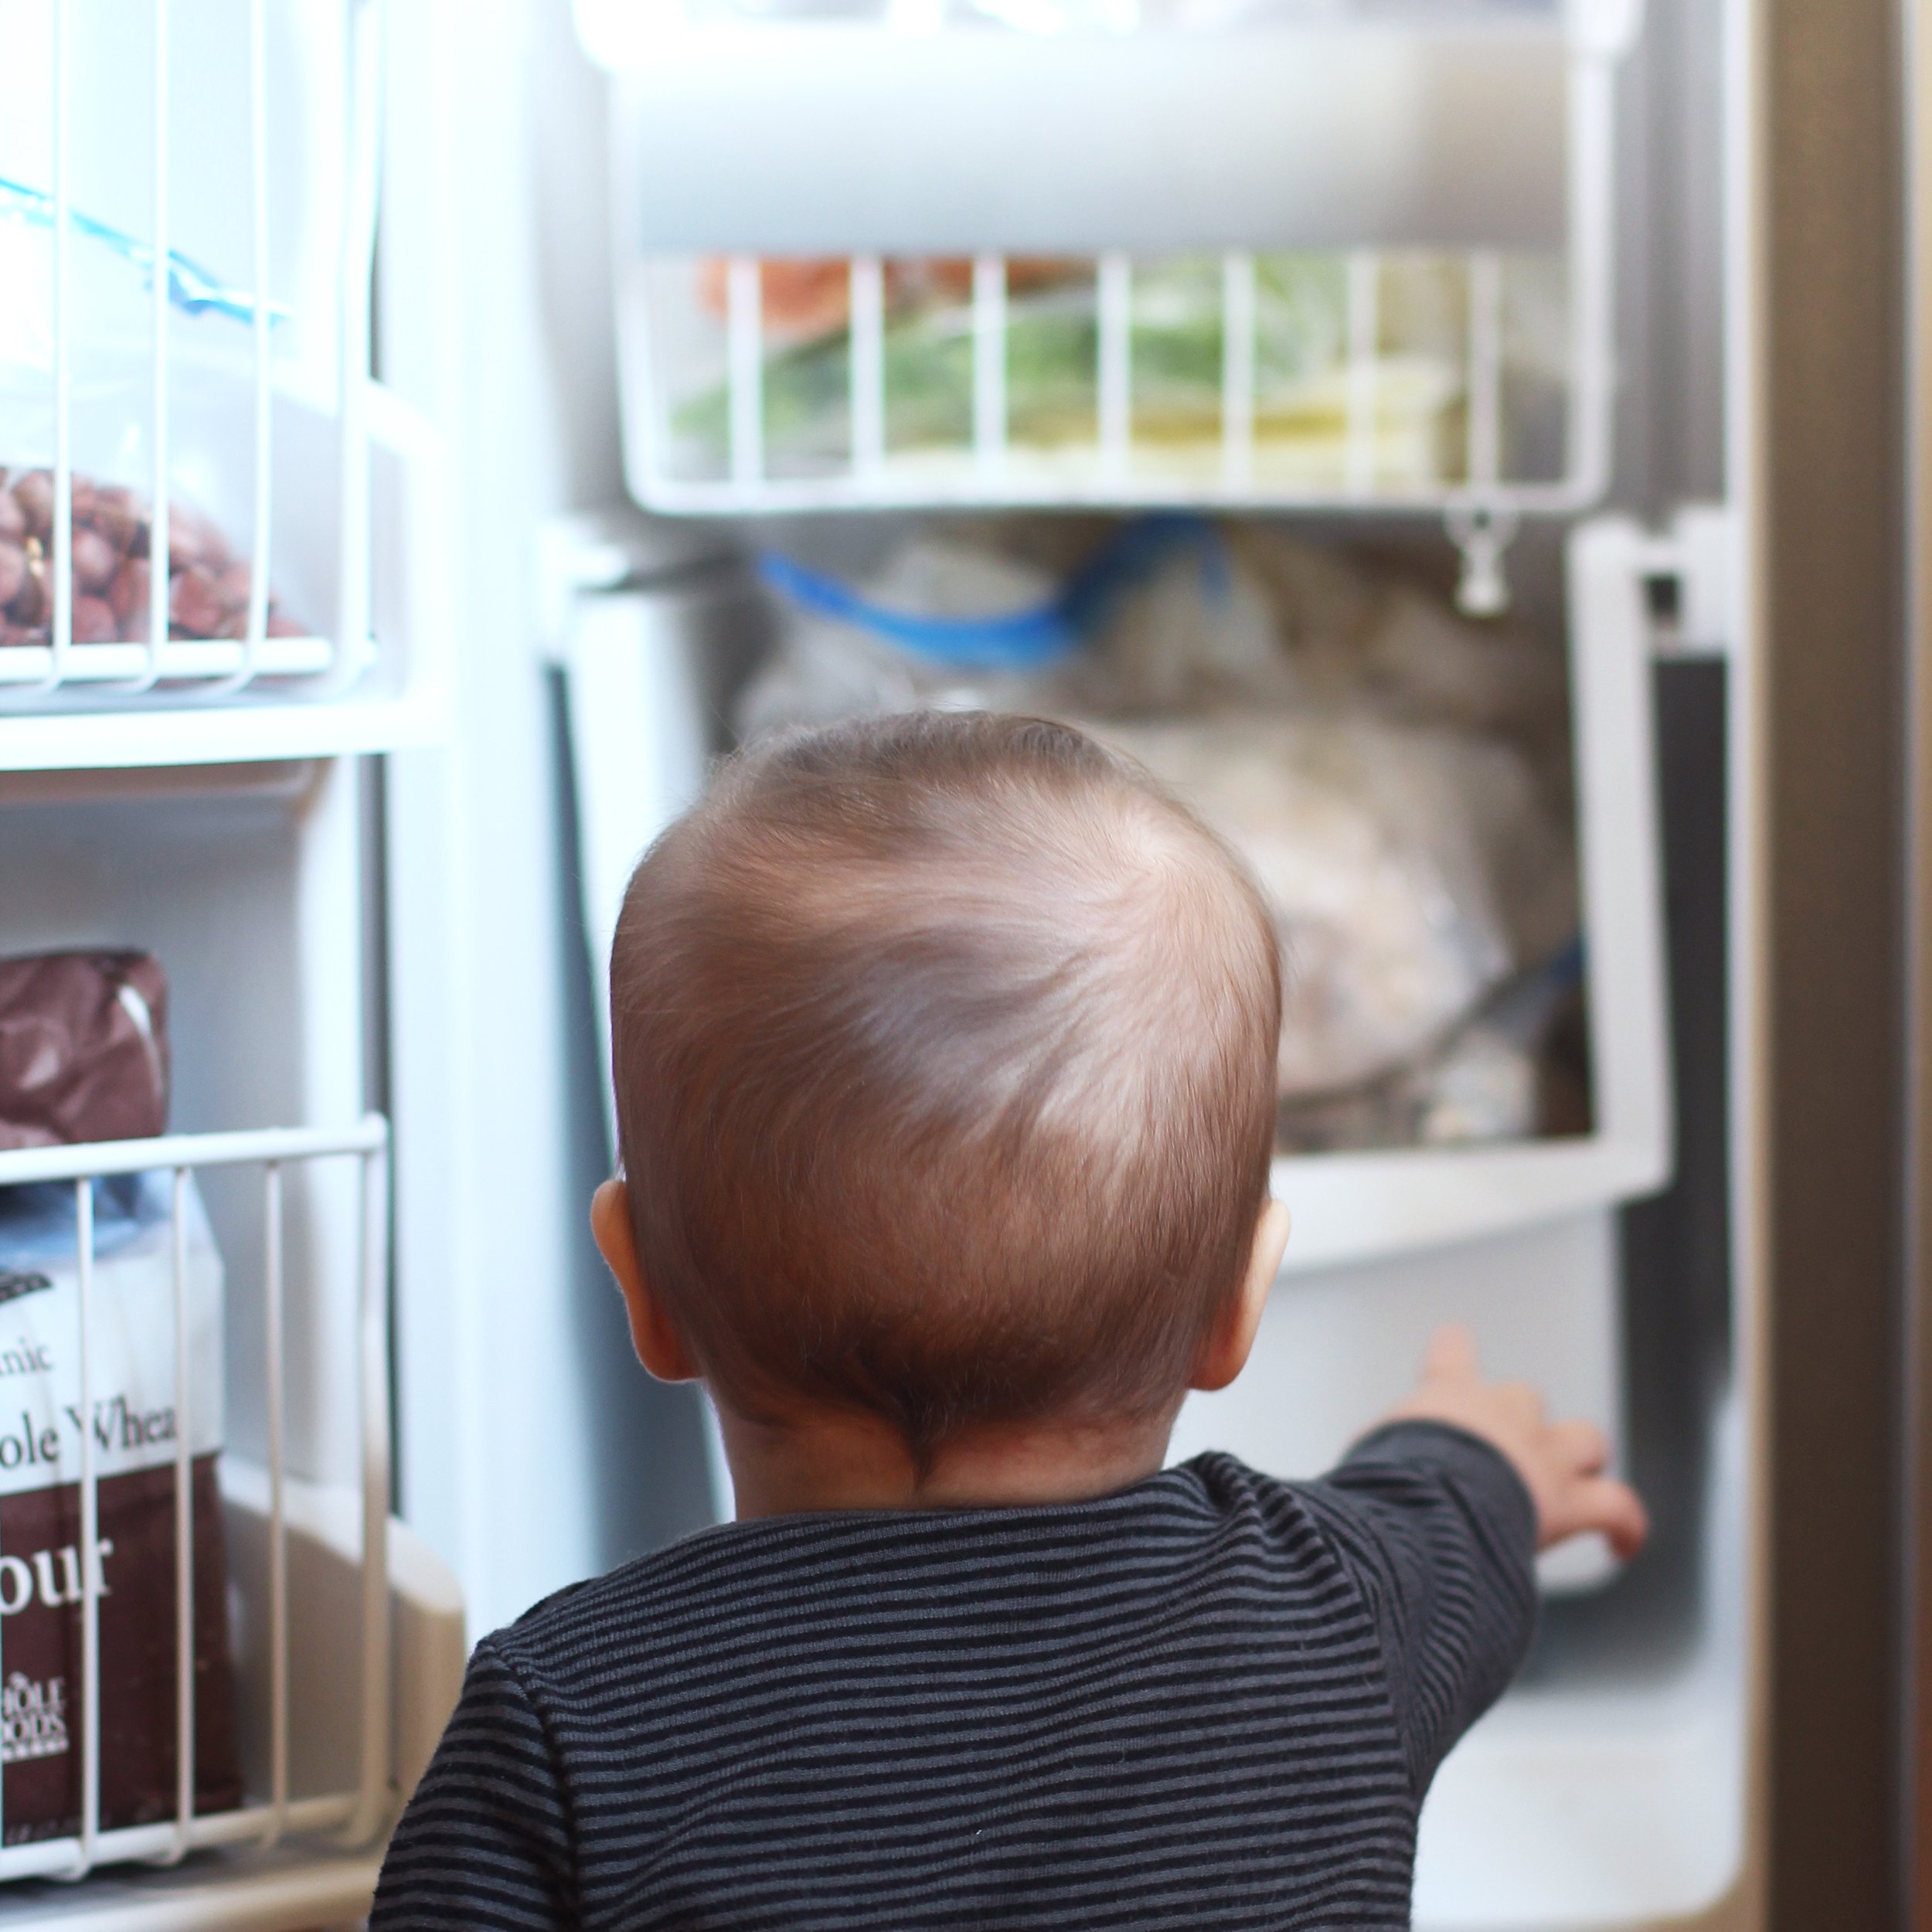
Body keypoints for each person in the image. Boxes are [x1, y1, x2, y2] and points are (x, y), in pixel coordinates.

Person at [371, 710, 1646, 1931]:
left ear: (642, 1292)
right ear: (1237, 1309)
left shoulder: (576, 1720)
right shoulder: (1330, 1609)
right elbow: (1448, 1519)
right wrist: (1480, 1453)